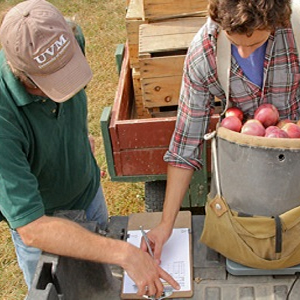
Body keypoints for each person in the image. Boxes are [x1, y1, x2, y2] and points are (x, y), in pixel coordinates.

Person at [0, 0, 179, 297]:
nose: (65, 91)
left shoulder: (68, 39)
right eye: (52, 84)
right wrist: (125, 254)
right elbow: (31, 227)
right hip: (47, 223)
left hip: (88, 190)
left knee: (103, 286)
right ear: (22, 74)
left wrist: (76, 138)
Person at [141, 0, 298, 261]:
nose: (245, 53)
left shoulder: (297, 30)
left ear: (276, 24)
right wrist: (165, 225)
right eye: (235, 43)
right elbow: (185, 144)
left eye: (255, 44)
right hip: (243, 167)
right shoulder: (204, 53)